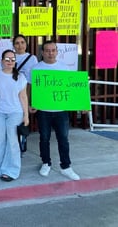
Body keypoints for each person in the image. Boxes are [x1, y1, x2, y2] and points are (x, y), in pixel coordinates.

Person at [31, 41, 80, 181]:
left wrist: (79, 104)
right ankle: (46, 162)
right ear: (42, 52)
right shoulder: (36, 68)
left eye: (53, 50)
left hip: (61, 110)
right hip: (43, 110)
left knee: (63, 138)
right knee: (44, 138)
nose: (50, 53)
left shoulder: (64, 68)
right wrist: (31, 103)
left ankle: (66, 166)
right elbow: (30, 88)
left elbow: (71, 89)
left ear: (57, 52)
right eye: (47, 50)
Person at [0, 49, 29, 181]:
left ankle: (11, 170)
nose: (10, 61)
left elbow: (23, 97)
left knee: (12, 142)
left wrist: (26, 115)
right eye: (7, 59)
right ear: (1, 61)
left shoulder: (21, 77)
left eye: (13, 59)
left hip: (15, 112)